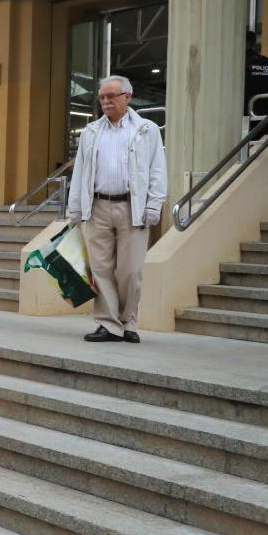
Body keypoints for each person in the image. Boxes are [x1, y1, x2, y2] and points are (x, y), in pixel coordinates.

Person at [67, 74, 167, 345]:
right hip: (97, 206)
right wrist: (74, 209)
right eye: (102, 97)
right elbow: (81, 172)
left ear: (128, 97)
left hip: (132, 207)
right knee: (100, 269)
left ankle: (128, 322)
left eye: (111, 96)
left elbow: (158, 171)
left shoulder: (147, 129)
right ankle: (108, 324)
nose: (106, 101)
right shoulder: (91, 132)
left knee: (131, 271)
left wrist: (154, 205)